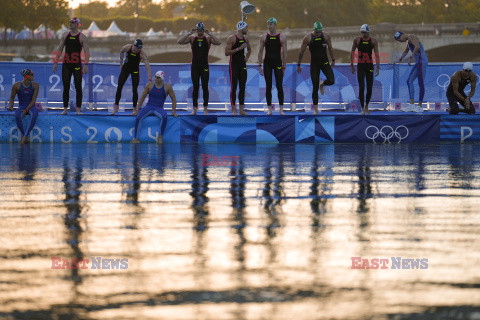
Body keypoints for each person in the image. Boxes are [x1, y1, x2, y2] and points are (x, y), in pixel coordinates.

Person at [177, 22, 221, 115]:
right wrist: (189, 33)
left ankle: (205, 109)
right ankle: (194, 109)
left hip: (204, 66)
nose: (200, 32)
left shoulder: (208, 38)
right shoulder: (192, 38)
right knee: (195, 88)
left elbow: (219, 42)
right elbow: (179, 41)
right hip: (195, 66)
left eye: (201, 30)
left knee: (205, 87)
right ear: (196, 30)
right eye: (199, 30)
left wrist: (210, 33)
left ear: (203, 30)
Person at [52, 17, 90, 115]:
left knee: (78, 87)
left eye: (73, 23)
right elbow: (59, 49)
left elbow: (86, 52)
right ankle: (65, 109)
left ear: (78, 25)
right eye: (70, 22)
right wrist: (55, 62)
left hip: (77, 64)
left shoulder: (82, 37)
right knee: (66, 87)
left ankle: (78, 109)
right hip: (66, 64)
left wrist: (86, 64)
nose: (70, 24)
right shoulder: (65, 35)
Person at [297, 22, 335, 115]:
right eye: (317, 32)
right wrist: (298, 64)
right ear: (313, 30)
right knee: (314, 87)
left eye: (319, 32)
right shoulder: (307, 38)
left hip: (325, 62)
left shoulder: (326, 36)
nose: (318, 34)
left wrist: (333, 59)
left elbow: (330, 48)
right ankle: (316, 110)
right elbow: (301, 52)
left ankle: (322, 84)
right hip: (314, 64)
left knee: (331, 80)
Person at [132, 70, 178, 144]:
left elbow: (174, 99)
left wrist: (173, 111)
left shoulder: (167, 87)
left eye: (158, 78)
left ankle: (160, 137)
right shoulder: (149, 85)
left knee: (165, 117)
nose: (156, 79)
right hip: (149, 107)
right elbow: (142, 97)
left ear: (162, 79)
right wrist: (137, 109)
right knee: (138, 117)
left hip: (159, 108)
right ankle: (136, 139)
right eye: (155, 77)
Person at [112, 39, 152, 115]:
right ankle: (116, 107)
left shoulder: (142, 53)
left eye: (140, 49)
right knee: (119, 86)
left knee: (134, 89)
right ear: (134, 45)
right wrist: (121, 64)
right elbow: (121, 51)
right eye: (137, 48)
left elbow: (148, 67)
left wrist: (150, 79)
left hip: (135, 70)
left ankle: (134, 109)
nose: (138, 50)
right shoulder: (127, 47)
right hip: (125, 69)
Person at [258, 17, 287, 115]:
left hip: (278, 63)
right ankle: (270, 110)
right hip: (267, 64)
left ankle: (281, 110)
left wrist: (284, 67)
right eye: (268, 24)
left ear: (275, 24)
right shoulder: (264, 37)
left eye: (271, 24)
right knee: (268, 86)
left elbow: (284, 54)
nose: (269, 26)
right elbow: (260, 52)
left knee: (279, 86)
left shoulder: (282, 37)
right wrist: (259, 65)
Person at [394, 31, 428, 113]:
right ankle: (412, 104)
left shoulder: (411, 36)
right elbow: (405, 51)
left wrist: (411, 57)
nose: (401, 41)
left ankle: (419, 106)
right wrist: (399, 59)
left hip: (422, 62)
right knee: (409, 81)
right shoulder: (408, 42)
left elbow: (417, 47)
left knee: (421, 83)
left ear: (401, 35)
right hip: (418, 62)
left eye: (400, 40)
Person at [350, 24, 380, 115]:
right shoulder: (357, 40)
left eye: (365, 33)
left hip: (369, 66)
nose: (363, 34)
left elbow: (376, 54)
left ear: (368, 32)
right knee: (361, 87)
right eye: (362, 32)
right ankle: (362, 108)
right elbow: (352, 52)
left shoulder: (373, 41)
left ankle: (367, 106)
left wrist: (378, 67)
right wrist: (351, 65)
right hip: (360, 66)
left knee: (370, 87)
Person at [225, 21, 251, 116]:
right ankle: (234, 110)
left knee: (242, 87)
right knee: (234, 87)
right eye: (246, 28)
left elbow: (249, 50)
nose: (247, 29)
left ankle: (241, 110)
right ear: (241, 28)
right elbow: (226, 53)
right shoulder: (231, 38)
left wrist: (246, 58)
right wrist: (239, 49)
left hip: (242, 65)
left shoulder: (246, 38)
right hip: (233, 65)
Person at [7, 69, 39, 144]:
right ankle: (25, 136)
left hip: (31, 107)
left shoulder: (35, 85)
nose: (34, 76)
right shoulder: (16, 85)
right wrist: (11, 106)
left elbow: (33, 101)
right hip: (21, 106)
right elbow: (12, 98)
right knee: (17, 115)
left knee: (34, 115)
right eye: (32, 75)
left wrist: (26, 110)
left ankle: (24, 136)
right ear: (27, 76)